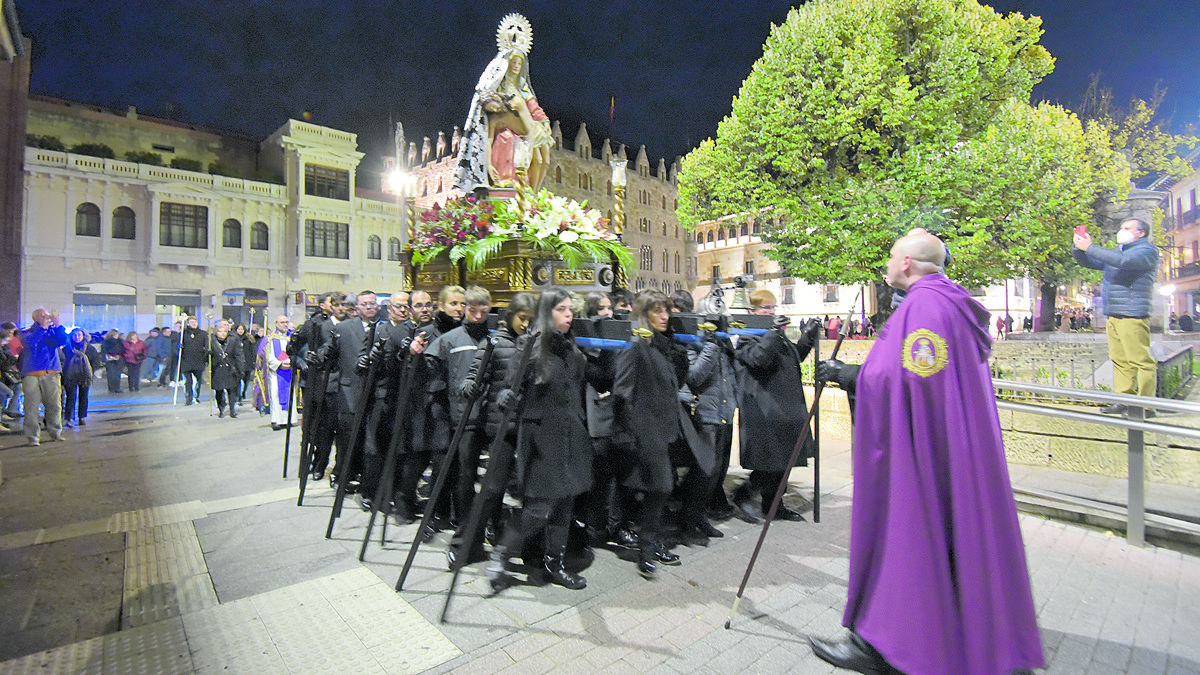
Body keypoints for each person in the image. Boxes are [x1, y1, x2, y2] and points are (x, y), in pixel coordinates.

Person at [811, 231, 1044, 675]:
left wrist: (849, 375)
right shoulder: (951, 301)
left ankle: (891, 644)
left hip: (919, 453)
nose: (886, 264)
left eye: (890, 257)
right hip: (951, 444)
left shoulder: (924, 306)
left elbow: (907, 380)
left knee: (906, 533)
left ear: (906, 265)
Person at [488, 288, 599, 591]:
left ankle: (556, 563)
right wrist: (506, 397)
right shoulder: (529, 347)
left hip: (570, 435)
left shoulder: (572, 350)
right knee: (537, 509)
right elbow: (507, 388)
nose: (568, 315)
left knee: (565, 503)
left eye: (571, 310)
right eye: (562, 309)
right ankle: (500, 555)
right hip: (540, 438)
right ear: (546, 312)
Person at [613, 289, 699, 577]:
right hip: (647, 432)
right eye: (657, 311)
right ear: (644, 314)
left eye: (666, 311)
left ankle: (653, 541)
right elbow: (622, 393)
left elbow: (674, 384)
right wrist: (635, 432)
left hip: (666, 429)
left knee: (662, 488)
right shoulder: (635, 346)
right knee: (661, 487)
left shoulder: (661, 345)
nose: (665, 316)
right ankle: (646, 548)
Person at [730, 289, 819, 524]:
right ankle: (743, 495)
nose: (771, 312)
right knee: (770, 460)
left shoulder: (774, 336)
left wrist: (807, 338)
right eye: (765, 308)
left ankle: (775, 505)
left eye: (773, 307)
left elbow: (793, 357)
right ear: (753, 311)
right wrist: (772, 333)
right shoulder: (747, 336)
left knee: (786, 459)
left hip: (786, 405)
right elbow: (758, 359)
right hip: (764, 407)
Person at [454, 15, 553, 193]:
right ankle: (506, 181)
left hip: (525, 127)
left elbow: (533, 107)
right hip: (504, 127)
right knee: (507, 139)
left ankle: (532, 192)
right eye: (513, 62)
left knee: (541, 157)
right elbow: (487, 100)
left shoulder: (522, 87)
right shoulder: (497, 83)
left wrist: (544, 121)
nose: (516, 66)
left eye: (519, 63)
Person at [1073, 218, 1160, 416]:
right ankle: (1124, 399)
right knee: (1120, 360)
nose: (1122, 231)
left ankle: (1146, 406)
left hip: (1132, 313)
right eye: (1121, 228)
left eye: (1127, 228)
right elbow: (1089, 260)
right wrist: (1079, 246)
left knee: (1140, 361)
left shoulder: (1147, 251)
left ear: (1141, 233)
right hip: (1114, 313)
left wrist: (1091, 246)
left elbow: (1124, 262)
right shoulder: (1117, 253)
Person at [17, 309, 69, 446]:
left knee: (54, 405)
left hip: (51, 372)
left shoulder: (52, 331)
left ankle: (55, 432)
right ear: (35, 318)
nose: (46, 317)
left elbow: (61, 340)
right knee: (31, 407)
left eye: (47, 315)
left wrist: (58, 325)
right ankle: (33, 436)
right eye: (42, 315)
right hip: (31, 373)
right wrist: (41, 328)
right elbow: (31, 343)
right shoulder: (26, 332)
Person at [255, 315, 293, 430]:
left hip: (289, 371)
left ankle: (287, 420)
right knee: (275, 395)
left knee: (289, 394)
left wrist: (291, 362)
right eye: (282, 322)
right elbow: (265, 355)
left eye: (286, 322)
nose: (285, 324)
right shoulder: (269, 338)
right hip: (275, 372)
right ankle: (275, 420)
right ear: (276, 323)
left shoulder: (291, 338)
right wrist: (279, 364)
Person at [60, 328, 99, 428]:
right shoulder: (66, 348)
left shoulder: (89, 348)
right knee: (70, 397)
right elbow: (63, 361)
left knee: (83, 396)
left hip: (84, 376)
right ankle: (69, 418)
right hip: (70, 376)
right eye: (74, 335)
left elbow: (96, 361)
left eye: (79, 335)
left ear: (83, 336)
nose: (77, 337)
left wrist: (90, 371)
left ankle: (82, 417)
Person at [207, 320, 244, 419]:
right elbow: (206, 356)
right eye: (220, 331)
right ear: (216, 332)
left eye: (224, 331)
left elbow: (238, 355)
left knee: (232, 391)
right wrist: (208, 353)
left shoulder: (232, 340)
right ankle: (221, 408)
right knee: (219, 391)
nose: (222, 333)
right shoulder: (212, 341)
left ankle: (232, 409)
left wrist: (240, 369)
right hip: (217, 369)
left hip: (230, 368)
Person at [177, 316, 209, 405]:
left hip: (198, 360)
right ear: (188, 323)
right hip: (186, 361)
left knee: (197, 381)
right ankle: (188, 398)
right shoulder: (183, 334)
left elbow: (206, 346)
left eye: (195, 322)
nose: (193, 324)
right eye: (191, 322)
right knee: (187, 381)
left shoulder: (203, 334)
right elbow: (176, 346)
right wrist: (179, 347)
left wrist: (206, 357)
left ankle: (196, 396)